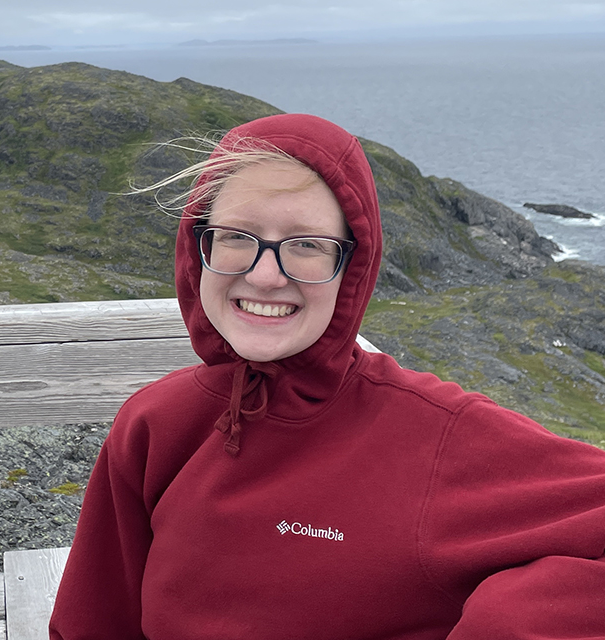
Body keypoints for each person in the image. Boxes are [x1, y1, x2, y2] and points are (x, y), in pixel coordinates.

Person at [48, 113, 605, 639]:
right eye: (237, 236)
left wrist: (510, 619)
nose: (265, 275)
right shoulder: (155, 424)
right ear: (199, 249)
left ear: (354, 267)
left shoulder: (436, 436)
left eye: (308, 246)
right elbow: (92, 622)